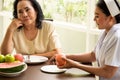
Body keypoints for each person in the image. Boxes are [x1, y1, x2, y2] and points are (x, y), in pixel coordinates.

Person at [49, 0, 120, 80]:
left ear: (110, 18)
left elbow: (108, 73)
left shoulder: (117, 37)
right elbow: (93, 55)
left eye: (97, 16)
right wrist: (66, 56)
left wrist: (75, 65)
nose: (94, 19)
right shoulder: (105, 32)